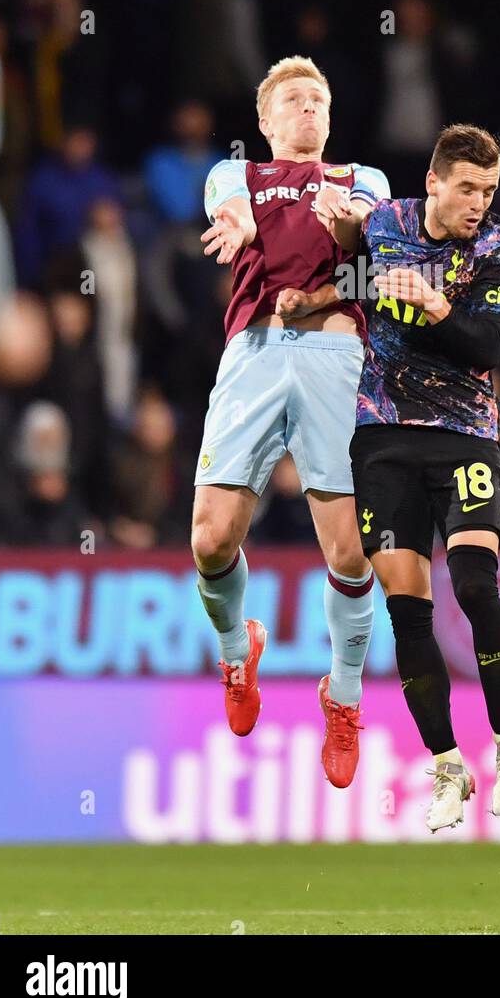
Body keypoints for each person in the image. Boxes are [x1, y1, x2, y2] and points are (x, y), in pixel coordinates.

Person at [320, 123, 500, 832]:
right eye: (468, 188)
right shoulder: (385, 225)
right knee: (407, 611)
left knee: (474, 586)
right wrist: (317, 293)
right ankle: (446, 767)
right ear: (434, 183)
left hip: (464, 433)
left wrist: (438, 305)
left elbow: (489, 344)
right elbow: (344, 271)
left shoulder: (498, 249)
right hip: (382, 438)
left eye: (489, 190)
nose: (479, 203)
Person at [190, 55, 389, 790]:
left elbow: (370, 251)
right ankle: (237, 647)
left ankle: (343, 695)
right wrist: (235, 217)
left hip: (338, 359)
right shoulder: (236, 176)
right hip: (254, 354)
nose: (308, 109)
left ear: (330, 119)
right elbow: (221, 198)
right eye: (293, 100)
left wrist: (350, 232)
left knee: (349, 556)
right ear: (266, 122)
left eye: (318, 100)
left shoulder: (362, 179)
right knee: (211, 540)